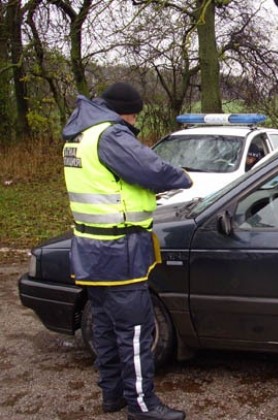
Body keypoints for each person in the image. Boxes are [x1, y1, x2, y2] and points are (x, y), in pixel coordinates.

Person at [62, 82, 192, 420]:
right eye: (135, 113)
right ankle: (143, 406)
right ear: (125, 110)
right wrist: (184, 178)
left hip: (90, 250)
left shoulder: (80, 136)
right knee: (136, 330)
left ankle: (113, 395)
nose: (136, 119)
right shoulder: (110, 135)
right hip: (118, 252)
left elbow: (108, 185)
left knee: (104, 327)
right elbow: (152, 169)